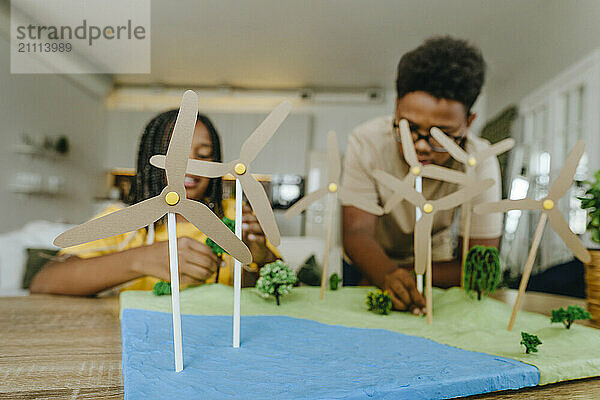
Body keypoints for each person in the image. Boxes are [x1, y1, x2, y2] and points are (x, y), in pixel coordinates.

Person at [31, 110, 279, 296]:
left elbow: (277, 290)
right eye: (174, 153)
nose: (189, 164)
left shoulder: (235, 213)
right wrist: (141, 259)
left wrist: (260, 259)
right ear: (151, 159)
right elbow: (45, 282)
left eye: (203, 155)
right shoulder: (124, 218)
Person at [341, 36, 502, 314]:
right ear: (395, 107)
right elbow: (356, 232)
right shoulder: (366, 142)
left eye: (442, 135)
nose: (420, 146)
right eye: (408, 128)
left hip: (436, 263)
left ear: (469, 123)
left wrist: (398, 276)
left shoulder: (481, 162)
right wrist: (382, 274)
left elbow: (477, 262)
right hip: (371, 258)